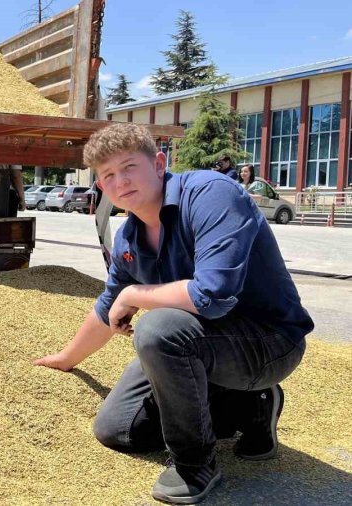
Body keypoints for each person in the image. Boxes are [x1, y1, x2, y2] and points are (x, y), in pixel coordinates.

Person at [33, 123, 312, 504]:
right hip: (200, 343)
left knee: (158, 329)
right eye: (108, 175)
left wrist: (136, 294)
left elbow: (212, 295)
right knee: (117, 430)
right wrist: (65, 359)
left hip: (268, 341)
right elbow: (107, 308)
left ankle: (194, 464)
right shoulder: (130, 237)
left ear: (159, 163)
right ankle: (247, 408)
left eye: (129, 166)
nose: (120, 181)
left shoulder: (211, 194)